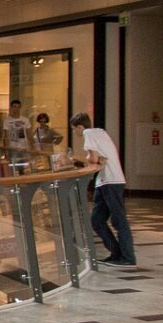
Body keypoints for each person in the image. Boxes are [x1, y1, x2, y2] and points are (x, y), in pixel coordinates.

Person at [70, 112, 135, 268]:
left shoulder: (88, 133)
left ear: (80, 127)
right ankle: (117, 253)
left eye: (74, 129)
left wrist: (81, 159)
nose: (75, 132)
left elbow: (92, 158)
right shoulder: (101, 132)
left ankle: (128, 258)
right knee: (97, 220)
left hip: (110, 181)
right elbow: (100, 157)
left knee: (119, 221)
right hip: (105, 181)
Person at [2, 99, 32, 174]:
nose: (16, 109)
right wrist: (6, 150)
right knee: (14, 167)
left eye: (18, 107)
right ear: (11, 108)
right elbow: (6, 136)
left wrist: (31, 147)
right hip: (13, 148)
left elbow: (29, 134)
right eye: (14, 107)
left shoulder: (25, 120)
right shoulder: (7, 121)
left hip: (24, 148)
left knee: (25, 167)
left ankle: (25, 182)